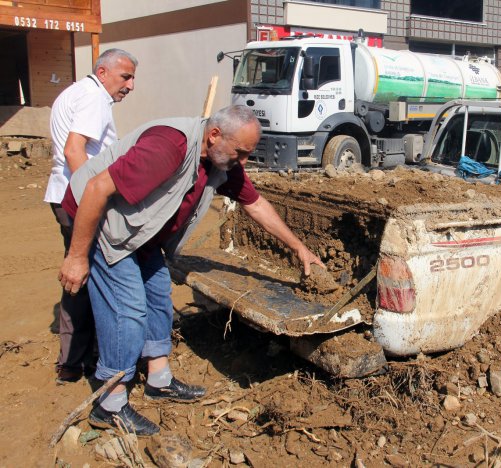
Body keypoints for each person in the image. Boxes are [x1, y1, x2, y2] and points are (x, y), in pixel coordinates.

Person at [58, 105, 323, 436]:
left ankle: (158, 379)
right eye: (240, 153)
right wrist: (77, 257)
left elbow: (255, 204)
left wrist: (299, 247)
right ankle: (109, 405)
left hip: (140, 232)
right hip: (102, 223)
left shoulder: (220, 159)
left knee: (157, 295)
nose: (243, 162)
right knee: (126, 310)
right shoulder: (169, 147)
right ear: (214, 136)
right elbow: (96, 189)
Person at [44, 48, 138, 384]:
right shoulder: (94, 98)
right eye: (125, 76)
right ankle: (88, 360)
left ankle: (74, 360)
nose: (130, 85)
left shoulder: (75, 92)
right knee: (91, 276)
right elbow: (74, 150)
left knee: (78, 277)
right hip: (77, 200)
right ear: (102, 71)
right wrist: (91, 202)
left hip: (63, 195)